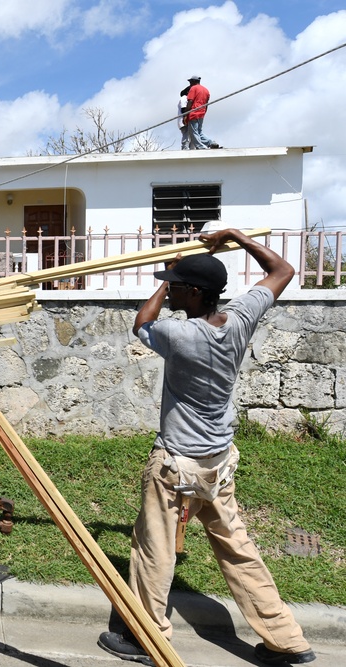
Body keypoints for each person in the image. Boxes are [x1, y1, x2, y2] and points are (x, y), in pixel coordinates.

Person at [98, 229, 314, 666]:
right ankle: (287, 641)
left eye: (177, 285)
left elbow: (141, 322)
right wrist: (236, 236)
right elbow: (283, 270)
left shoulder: (181, 337)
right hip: (218, 463)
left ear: (194, 293)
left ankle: (148, 638)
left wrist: (162, 283)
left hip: (176, 466)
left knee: (153, 549)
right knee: (237, 548)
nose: (171, 289)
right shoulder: (241, 318)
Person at [185, 76, 220, 150]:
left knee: (193, 132)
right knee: (199, 132)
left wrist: (185, 115)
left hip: (194, 113)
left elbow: (190, 101)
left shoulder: (193, 88)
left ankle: (201, 147)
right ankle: (211, 143)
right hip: (201, 113)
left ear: (194, 81)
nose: (190, 84)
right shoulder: (206, 90)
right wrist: (204, 113)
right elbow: (206, 104)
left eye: (190, 82)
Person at [178, 85, 191, 150]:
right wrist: (185, 118)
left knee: (189, 135)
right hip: (184, 120)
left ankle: (189, 148)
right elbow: (183, 109)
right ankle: (184, 148)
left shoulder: (186, 98)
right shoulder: (184, 98)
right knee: (186, 135)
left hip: (185, 120)